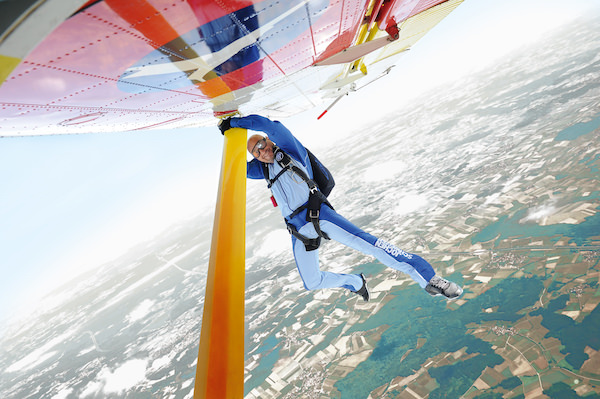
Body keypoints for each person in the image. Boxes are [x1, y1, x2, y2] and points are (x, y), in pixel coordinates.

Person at [218, 114, 463, 302]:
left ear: (269, 141)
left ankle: (430, 279)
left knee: (369, 244)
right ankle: (354, 282)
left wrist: (235, 123)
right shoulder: (261, 170)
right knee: (312, 282)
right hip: (298, 230)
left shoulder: (292, 151)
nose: (262, 151)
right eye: (256, 151)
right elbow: (236, 165)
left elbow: (271, 126)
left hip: (319, 214)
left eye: (262, 144)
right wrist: (230, 138)